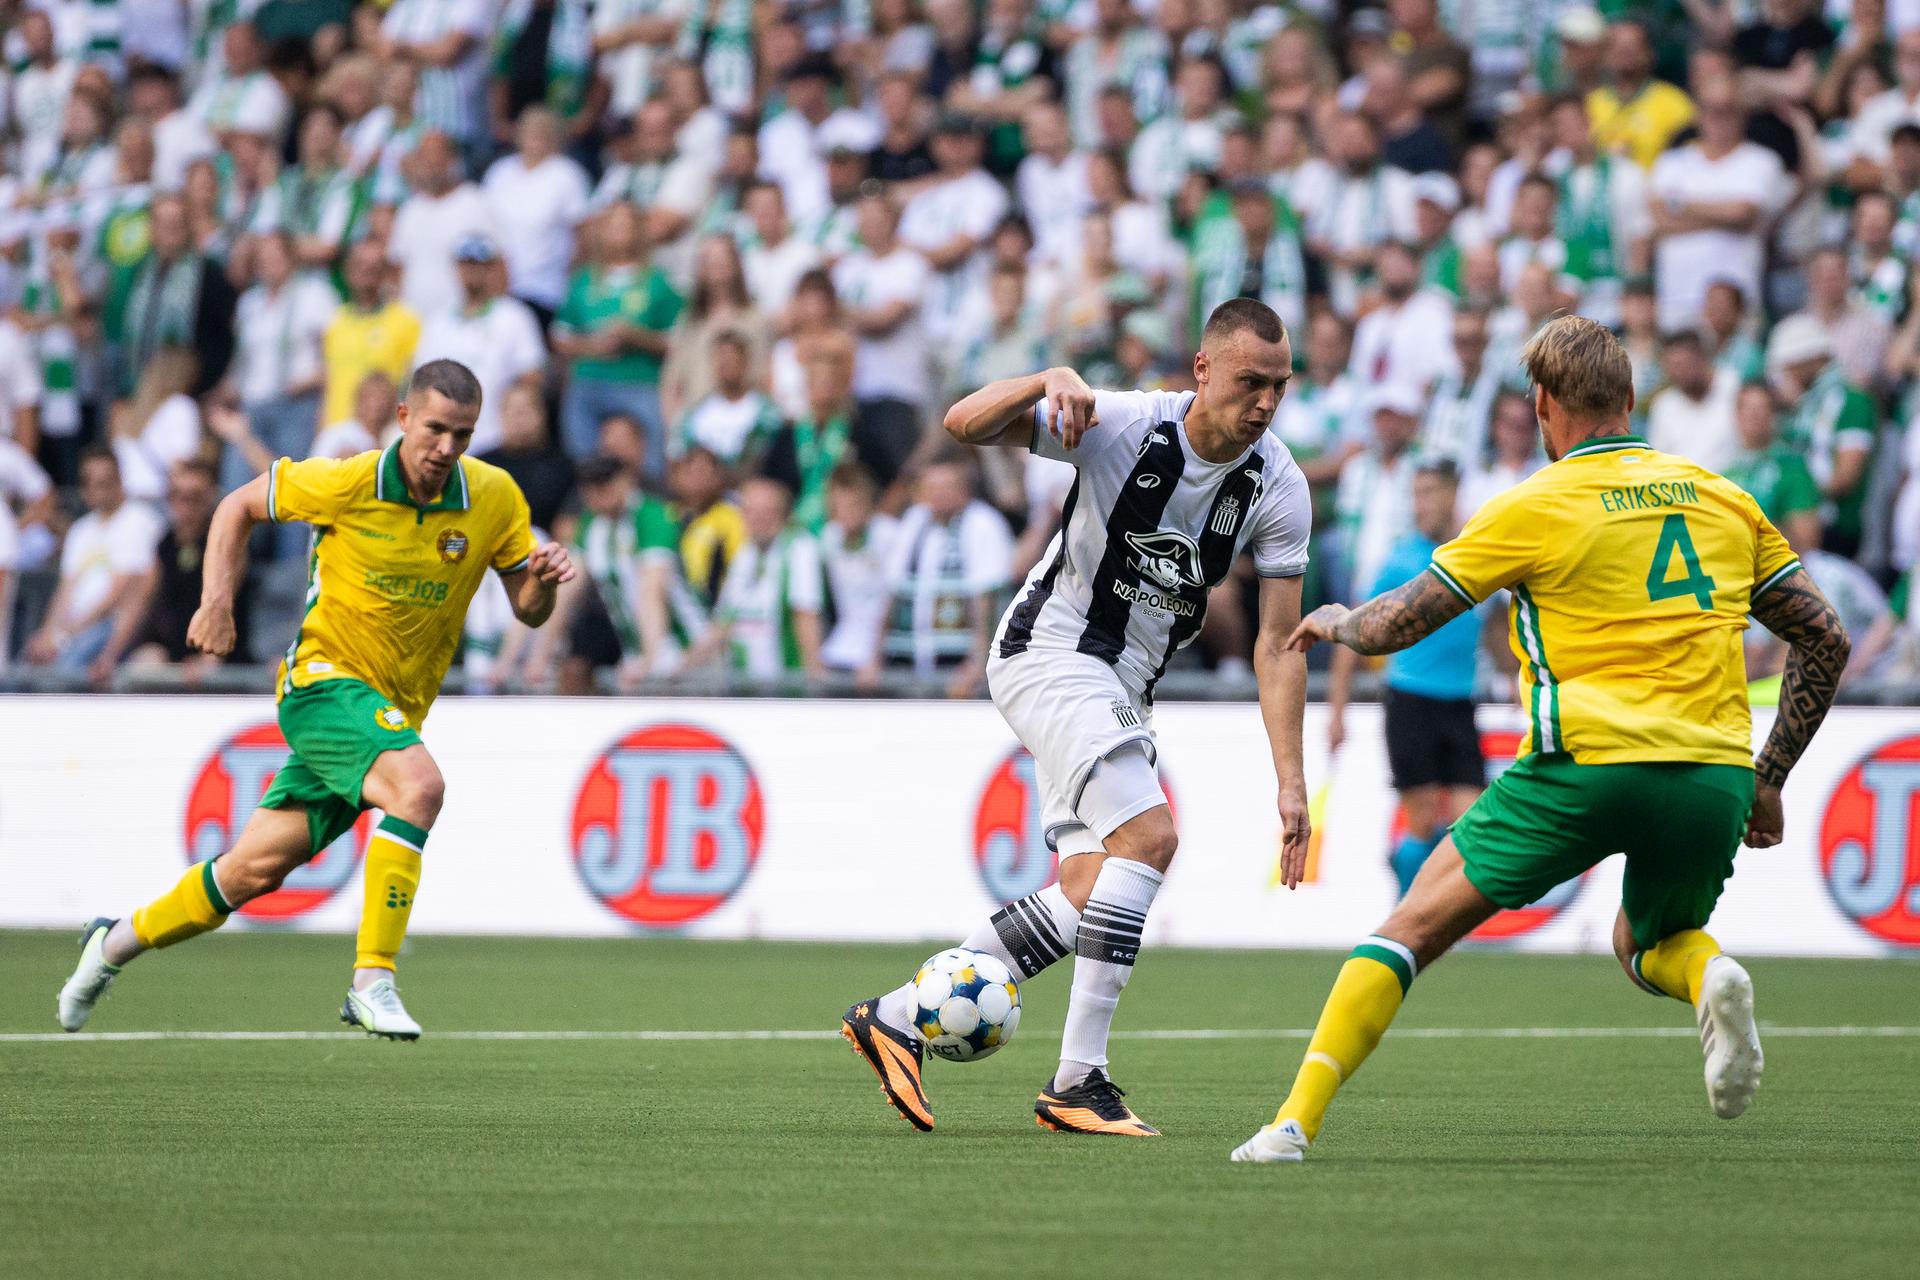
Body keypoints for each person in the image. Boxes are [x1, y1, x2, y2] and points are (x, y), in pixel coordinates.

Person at [1234, 315, 1852, 1163]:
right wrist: (1771, 774)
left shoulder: (1534, 503)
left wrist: (1341, 622)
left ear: (1543, 404)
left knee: (1407, 929)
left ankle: (1289, 1125)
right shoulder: (1724, 497)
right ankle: (1710, 975)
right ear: (1632, 400)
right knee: (1647, 943)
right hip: (1712, 773)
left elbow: (1401, 621)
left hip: (1583, 769)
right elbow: (1826, 636)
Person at [840, 298, 1313, 1138]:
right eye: (1251, 382)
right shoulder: (1125, 425)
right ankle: (1078, 1081)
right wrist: (1048, 379)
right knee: (1152, 838)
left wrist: (1291, 782)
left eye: (1281, 385)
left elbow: (1278, 646)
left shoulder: (1278, 485)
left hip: (1126, 684)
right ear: (1203, 371)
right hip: (1050, 653)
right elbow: (961, 425)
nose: (1268, 403)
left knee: (1094, 886)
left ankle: (899, 1018)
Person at [56, 361, 578, 1041]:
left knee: (249, 872)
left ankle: (110, 945)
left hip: (389, 713)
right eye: (436, 429)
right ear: (402, 419)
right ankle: (373, 979)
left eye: (463, 434)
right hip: (323, 685)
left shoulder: (494, 497)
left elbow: (529, 613)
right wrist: (217, 601)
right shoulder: (348, 480)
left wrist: (542, 582)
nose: (447, 448)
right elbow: (235, 505)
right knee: (419, 788)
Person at [1327, 458, 1487, 895]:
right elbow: (1354, 632)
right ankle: (1407, 914)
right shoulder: (1400, 561)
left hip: (1460, 702)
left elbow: (1494, 623)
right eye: (1416, 494)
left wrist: (1515, 676)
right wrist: (1337, 713)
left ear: (1453, 494)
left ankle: (1420, 893)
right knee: (1420, 821)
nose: (1421, 504)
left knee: (1469, 826)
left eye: (1430, 492)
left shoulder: (1475, 554)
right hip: (1410, 701)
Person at [866, 457, 1014, 696]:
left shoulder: (982, 523)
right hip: (907, 662)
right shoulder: (914, 521)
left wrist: (979, 661)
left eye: (947, 487)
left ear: (965, 488)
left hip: (958, 668)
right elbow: (892, 593)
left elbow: (986, 599)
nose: (939, 494)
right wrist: (873, 657)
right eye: (931, 487)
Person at [22, 448, 163, 676]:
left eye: (106, 481)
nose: (100, 489)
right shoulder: (80, 530)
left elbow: (121, 590)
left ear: (119, 480)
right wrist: (49, 632)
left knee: (63, 671)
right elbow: (66, 588)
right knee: (27, 660)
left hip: (111, 625)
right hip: (74, 629)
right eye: (93, 482)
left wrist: (67, 635)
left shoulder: (140, 521)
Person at [413, 236, 547, 456]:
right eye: (466, 264)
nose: (471, 272)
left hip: (495, 439)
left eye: (479, 265)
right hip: (443, 442)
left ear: (491, 269)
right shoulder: (438, 322)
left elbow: (531, 376)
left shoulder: (513, 316)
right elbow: (420, 380)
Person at [683, 475, 825, 680]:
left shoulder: (799, 550)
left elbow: (806, 616)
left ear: (783, 515)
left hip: (789, 690)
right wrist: (676, 672)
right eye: (751, 511)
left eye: (767, 512)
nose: (758, 519)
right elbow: (722, 626)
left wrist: (816, 683)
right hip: (749, 692)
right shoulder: (745, 555)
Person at [125, 459, 247, 674]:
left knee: (207, 673)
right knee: (141, 665)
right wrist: (110, 655)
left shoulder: (225, 540)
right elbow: (141, 601)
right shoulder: (165, 542)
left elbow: (222, 603)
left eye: (194, 498)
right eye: (176, 496)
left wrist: (206, 657)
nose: (184, 505)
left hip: (219, 648)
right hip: (171, 648)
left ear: (210, 497)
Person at [320, 240, 422, 432]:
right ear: (347, 271)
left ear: (385, 273)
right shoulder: (336, 321)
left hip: (381, 434)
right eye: (359, 265)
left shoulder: (406, 320)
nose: (366, 272)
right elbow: (328, 386)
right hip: (337, 432)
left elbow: (412, 385)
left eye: (374, 267)